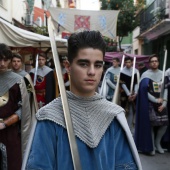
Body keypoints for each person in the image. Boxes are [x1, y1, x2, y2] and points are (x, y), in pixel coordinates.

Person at [25, 31, 142, 170]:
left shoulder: (113, 115)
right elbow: (39, 166)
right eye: (84, 64)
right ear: (68, 66)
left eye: (98, 65)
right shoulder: (50, 116)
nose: (92, 72)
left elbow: (125, 166)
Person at [0, 43, 31, 170]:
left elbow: (26, 107)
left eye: (5, 60)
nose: (2, 63)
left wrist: (5, 123)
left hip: (10, 133)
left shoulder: (24, 79)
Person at [135, 55, 169, 155]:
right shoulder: (145, 75)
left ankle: (157, 143)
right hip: (149, 104)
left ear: (158, 62)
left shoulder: (163, 74)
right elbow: (143, 91)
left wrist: (165, 102)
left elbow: (166, 89)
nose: (154, 63)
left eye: (156, 61)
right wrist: (155, 100)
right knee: (150, 125)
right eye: (152, 61)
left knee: (164, 125)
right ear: (149, 63)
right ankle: (151, 146)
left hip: (162, 103)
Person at [119, 56, 139, 134]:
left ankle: (132, 127)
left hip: (134, 94)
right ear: (124, 63)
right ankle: (126, 128)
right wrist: (128, 94)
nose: (128, 64)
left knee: (134, 110)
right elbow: (122, 84)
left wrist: (135, 93)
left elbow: (137, 83)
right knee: (127, 111)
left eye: (129, 62)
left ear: (132, 62)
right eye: (126, 62)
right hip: (125, 94)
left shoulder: (136, 71)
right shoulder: (122, 72)